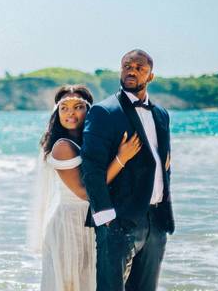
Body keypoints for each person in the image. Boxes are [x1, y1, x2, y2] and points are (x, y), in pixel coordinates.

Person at [29, 84, 141, 291]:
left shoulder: (92, 143)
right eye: (64, 108)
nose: (70, 113)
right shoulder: (62, 147)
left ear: (89, 110)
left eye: (78, 106)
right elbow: (84, 192)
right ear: (57, 114)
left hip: (95, 221)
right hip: (71, 225)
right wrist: (120, 158)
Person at [81, 49, 175, 291]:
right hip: (118, 219)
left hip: (156, 220)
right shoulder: (104, 112)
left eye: (139, 67)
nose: (132, 70)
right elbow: (91, 168)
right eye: (127, 66)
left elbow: (163, 162)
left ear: (150, 76)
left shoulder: (161, 114)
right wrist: (105, 218)